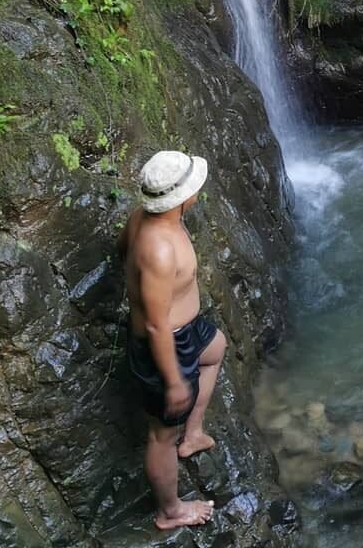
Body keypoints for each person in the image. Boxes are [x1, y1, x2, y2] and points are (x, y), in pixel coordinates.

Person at [117, 149, 228, 531]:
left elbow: (120, 250)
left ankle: (192, 433)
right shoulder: (159, 247)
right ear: (180, 198)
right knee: (161, 435)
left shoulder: (145, 219)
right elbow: (155, 326)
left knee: (216, 348)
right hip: (166, 345)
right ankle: (170, 511)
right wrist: (174, 380)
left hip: (187, 332)